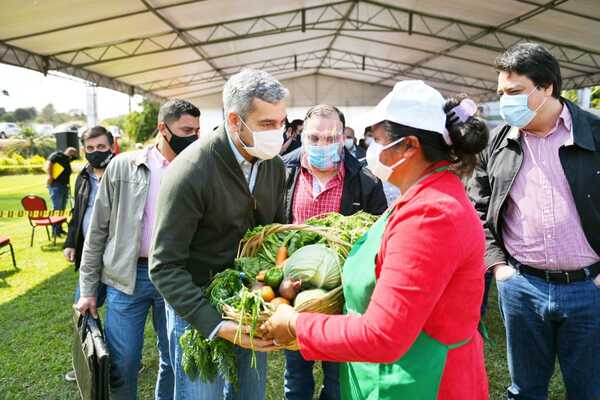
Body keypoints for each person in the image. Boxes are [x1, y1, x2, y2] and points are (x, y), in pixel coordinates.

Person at [263, 80, 490, 399]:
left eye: (379, 140)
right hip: (397, 372)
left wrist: (296, 324)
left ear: (409, 146)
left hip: (422, 381)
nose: (372, 149)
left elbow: (383, 334)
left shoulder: (431, 216)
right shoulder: (419, 197)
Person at [469, 43, 600, 400]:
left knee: (589, 390)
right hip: (522, 287)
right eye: (501, 93)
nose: (505, 101)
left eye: (515, 92)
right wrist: (498, 267)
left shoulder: (594, 133)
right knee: (524, 390)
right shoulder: (496, 143)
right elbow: (476, 210)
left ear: (547, 88)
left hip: (589, 288)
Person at [149, 69, 288, 400]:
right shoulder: (191, 172)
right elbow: (164, 266)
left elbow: (273, 233)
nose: (278, 133)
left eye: (281, 122)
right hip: (198, 307)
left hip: (249, 304)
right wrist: (217, 324)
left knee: (249, 393)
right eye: (267, 124)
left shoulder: (274, 165)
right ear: (235, 120)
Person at [76, 99, 201, 400]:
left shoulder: (197, 169)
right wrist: (88, 289)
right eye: (186, 129)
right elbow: (97, 232)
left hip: (174, 278)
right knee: (122, 363)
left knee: (173, 359)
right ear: (163, 128)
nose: (194, 137)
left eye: (197, 131)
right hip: (126, 278)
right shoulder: (122, 166)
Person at [282, 104, 387, 400]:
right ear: (303, 135)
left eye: (330, 138)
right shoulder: (283, 172)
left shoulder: (366, 179)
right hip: (294, 294)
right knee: (296, 374)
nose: (322, 145)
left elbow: (379, 234)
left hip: (342, 297)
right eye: (314, 138)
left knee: (338, 377)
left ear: (343, 138)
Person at [63, 126, 115, 382]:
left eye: (101, 147)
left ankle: (122, 361)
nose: (95, 153)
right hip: (90, 257)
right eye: (90, 148)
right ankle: (86, 362)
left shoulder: (123, 171)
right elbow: (77, 213)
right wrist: (70, 243)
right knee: (82, 307)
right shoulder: (82, 176)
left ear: (112, 146)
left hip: (118, 257)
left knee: (122, 318)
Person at [46, 146, 78, 236]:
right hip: (56, 186)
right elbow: (49, 164)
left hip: (64, 186)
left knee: (62, 209)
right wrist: (50, 176)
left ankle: (59, 229)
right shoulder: (58, 155)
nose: (74, 158)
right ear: (71, 153)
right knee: (57, 208)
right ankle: (55, 231)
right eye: (74, 155)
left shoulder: (66, 159)